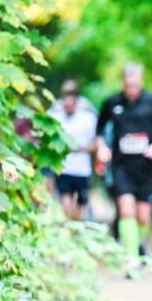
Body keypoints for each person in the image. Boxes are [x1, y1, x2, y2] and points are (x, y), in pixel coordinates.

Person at [95, 63, 152, 278]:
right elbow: (99, 130)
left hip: (146, 166)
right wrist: (102, 148)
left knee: (143, 217)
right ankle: (131, 260)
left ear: (141, 80)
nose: (132, 89)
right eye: (128, 85)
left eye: (135, 85)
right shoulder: (112, 103)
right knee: (126, 209)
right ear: (123, 82)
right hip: (121, 165)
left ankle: (139, 242)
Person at [48, 79, 98, 220]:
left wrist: (80, 148)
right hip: (64, 168)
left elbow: (96, 143)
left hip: (82, 170)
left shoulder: (88, 118)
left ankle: (74, 228)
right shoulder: (54, 115)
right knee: (66, 206)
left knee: (79, 210)